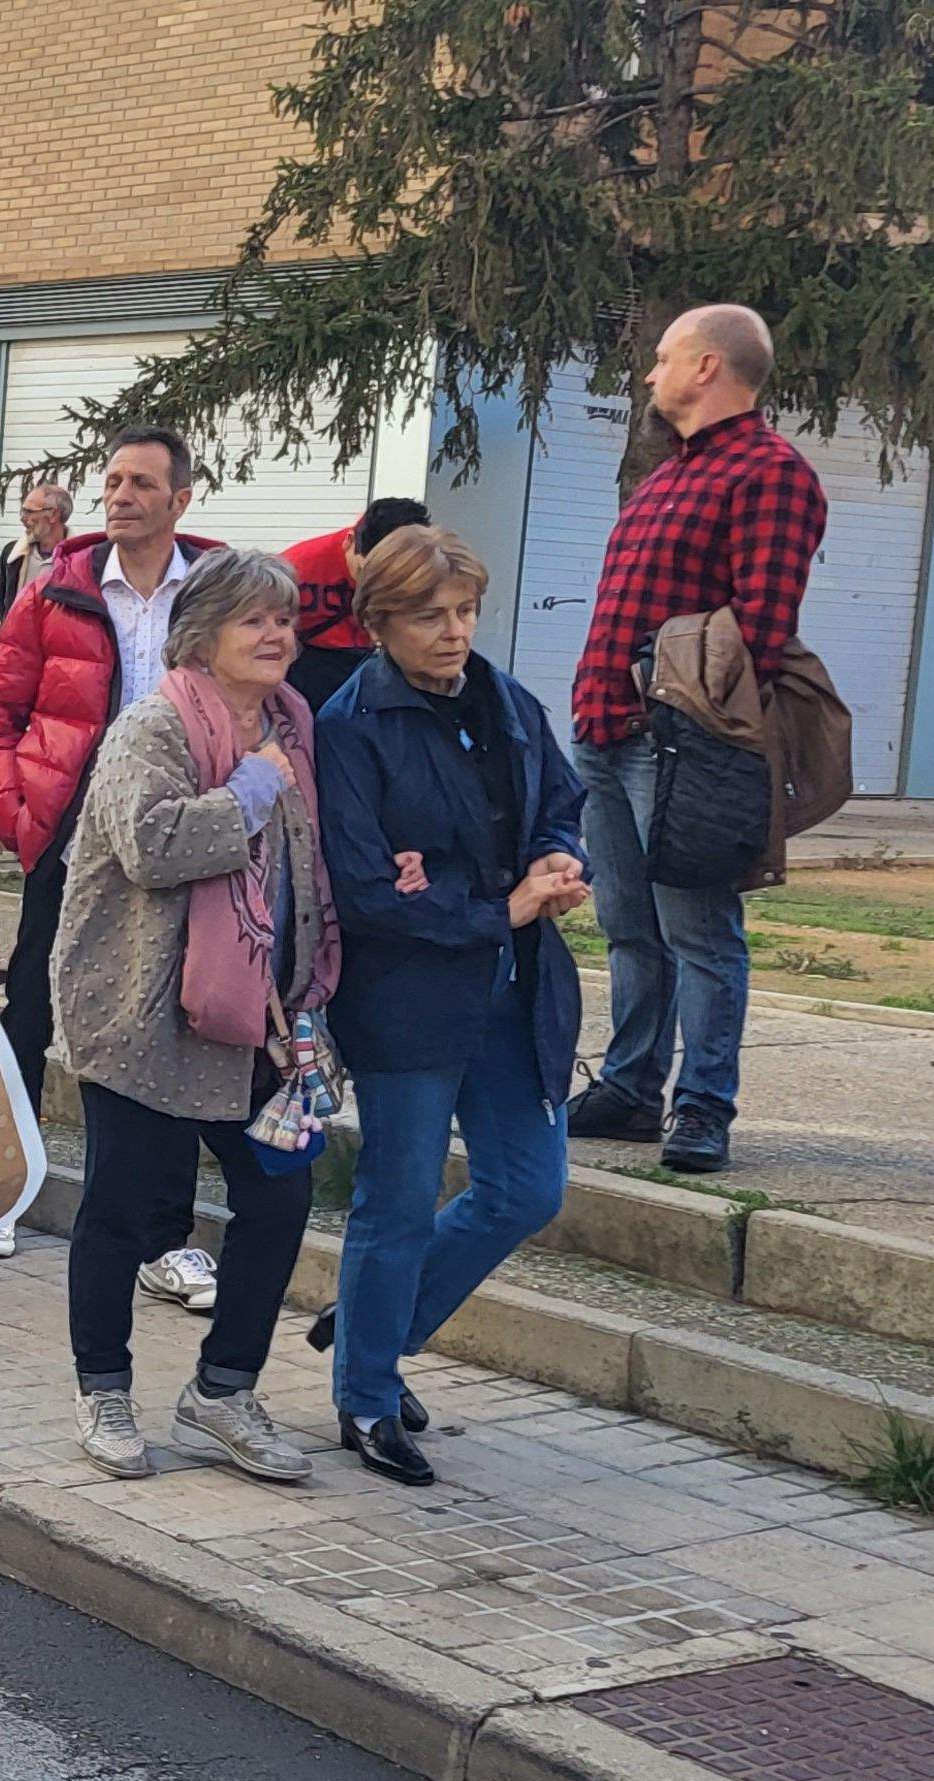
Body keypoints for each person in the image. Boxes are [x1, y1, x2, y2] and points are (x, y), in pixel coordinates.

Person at [308, 527, 588, 1487]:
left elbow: (561, 796)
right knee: (396, 1197)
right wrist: (494, 907)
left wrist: (559, 855)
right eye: (430, 616)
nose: (456, 632)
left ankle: (370, 1329)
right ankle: (367, 1399)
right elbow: (362, 886)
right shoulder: (348, 726)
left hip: (516, 988)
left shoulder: (504, 697)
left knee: (528, 1186)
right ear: (380, 621)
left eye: (465, 611)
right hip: (409, 1001)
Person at [53, 547, 335, 1486]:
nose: (276, 635)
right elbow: (151, 843)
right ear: (202, 633)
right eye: (255, 619)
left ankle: (223, 1390)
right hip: (144, 1011)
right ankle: (102, 1390)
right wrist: (252, 788)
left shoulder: (293, 722)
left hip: (258, 1017)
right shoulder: (155, 725)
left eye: (285, 619)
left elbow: (300, 866)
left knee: (279, 1196)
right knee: (127, 1211)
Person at [559, 305, 826, 1176]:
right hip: (604, 733)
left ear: (708, 367)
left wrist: (680, 719)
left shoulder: (771, 473)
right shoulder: (665, 477)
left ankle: (703, 1106)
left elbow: (761, 626)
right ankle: (633, 1088)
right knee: (628, 924)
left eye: (663, 357)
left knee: (701, 932)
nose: (649, 374)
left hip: (679, 748)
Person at [0, 429, 221, 1111]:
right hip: (68, 821)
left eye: (142, 484)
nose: (122, 496)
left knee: (164, 989)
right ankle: (8, 1173)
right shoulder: (57, 590)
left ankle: (148, 1182)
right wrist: (17, 816)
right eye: (113, 482)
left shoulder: (216, 594)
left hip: (176, 827)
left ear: (180, 500)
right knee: (32, 996)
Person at [284, 496, 434, 709]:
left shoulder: (423, 576)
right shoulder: (297, 567)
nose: (372, 584)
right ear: (350, 541)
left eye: (387, 576)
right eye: (365, 572)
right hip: (309, 673)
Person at [0, 482, 74, 621]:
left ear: (54, 514)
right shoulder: (13, 554)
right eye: (22, 511)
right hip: (18, 642)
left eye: (30, 512)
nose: (23, 519)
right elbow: (0, 597)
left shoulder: (81, 559)